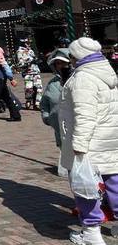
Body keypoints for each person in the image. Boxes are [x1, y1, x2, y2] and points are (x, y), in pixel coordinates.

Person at [60, 37, 118, 245]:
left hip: (90, 142)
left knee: (85, 187)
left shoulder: (83, 78)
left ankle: (91, 232)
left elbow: (85, 116)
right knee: (114, 183)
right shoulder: (106, 72)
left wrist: (79, 145)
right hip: (110, 138)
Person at [40, 48, 71, 149]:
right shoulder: (52, 83)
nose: (61, 65)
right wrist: (47, 117)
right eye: (58, 63)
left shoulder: (78, 79)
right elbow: (44, 103)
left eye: (64, 62)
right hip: (59, 129)